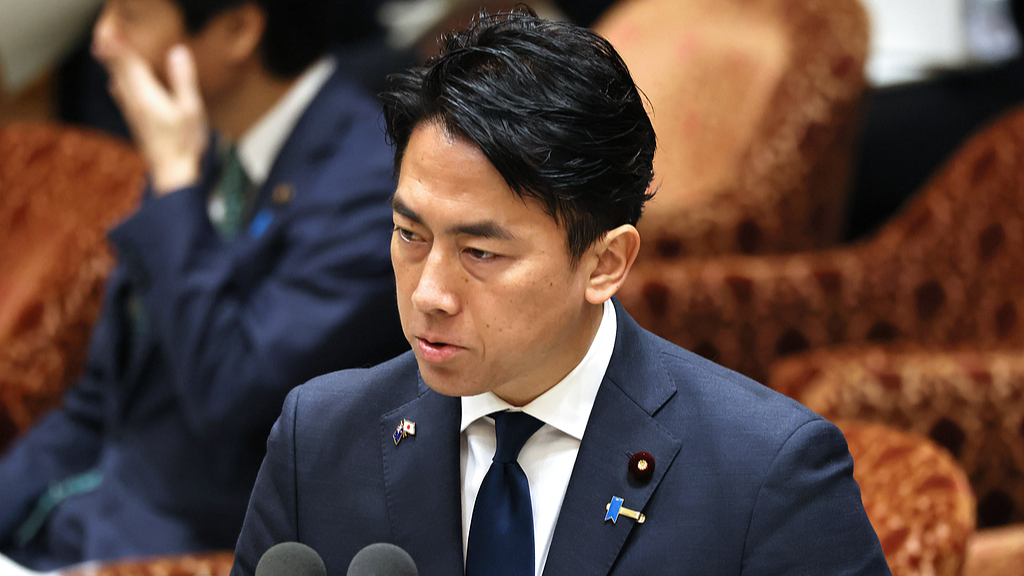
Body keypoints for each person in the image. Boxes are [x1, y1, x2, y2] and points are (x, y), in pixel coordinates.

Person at [231, 10, 891, 576]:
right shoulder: (318, 438)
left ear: (605, 263)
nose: (430, 292)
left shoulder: (765, 473)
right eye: (410, 234)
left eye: (481, 252)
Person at [0, 0, 407, 569]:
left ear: (238, 29)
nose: (102, 41)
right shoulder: (206, 140)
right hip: (69, 524)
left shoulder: (370, 191)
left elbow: (229, 391)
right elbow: (98, 401)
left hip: (183, 551)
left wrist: (173, 182)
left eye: (130, 16)